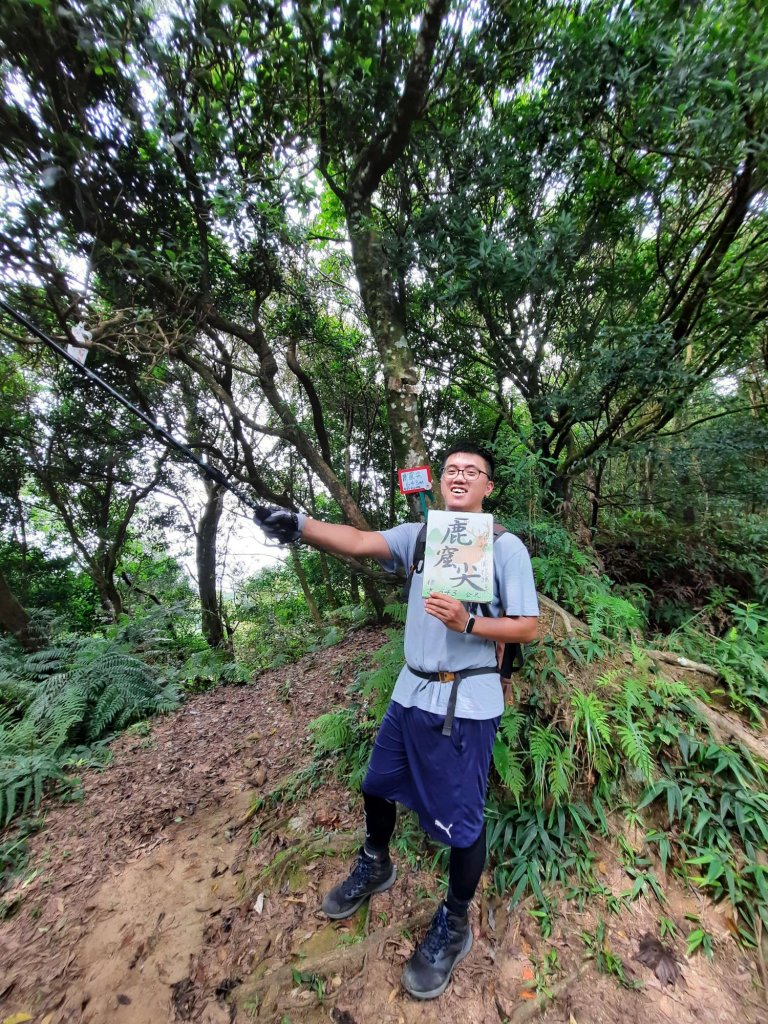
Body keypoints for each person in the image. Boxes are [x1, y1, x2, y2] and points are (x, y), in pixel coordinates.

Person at [255, 442, 539, 1000]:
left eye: (471, 472)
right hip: (411, 691)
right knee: (375, 784)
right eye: (451, 469)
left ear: (488, 487)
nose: (459, 477)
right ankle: (375, 863)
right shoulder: (423, 537)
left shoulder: (506, 549)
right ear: (441, 483)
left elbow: (528, 627)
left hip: (466, 701)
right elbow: (360, 542)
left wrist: (469, 624)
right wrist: (300, 525)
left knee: (464, 822)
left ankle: (454, 925)